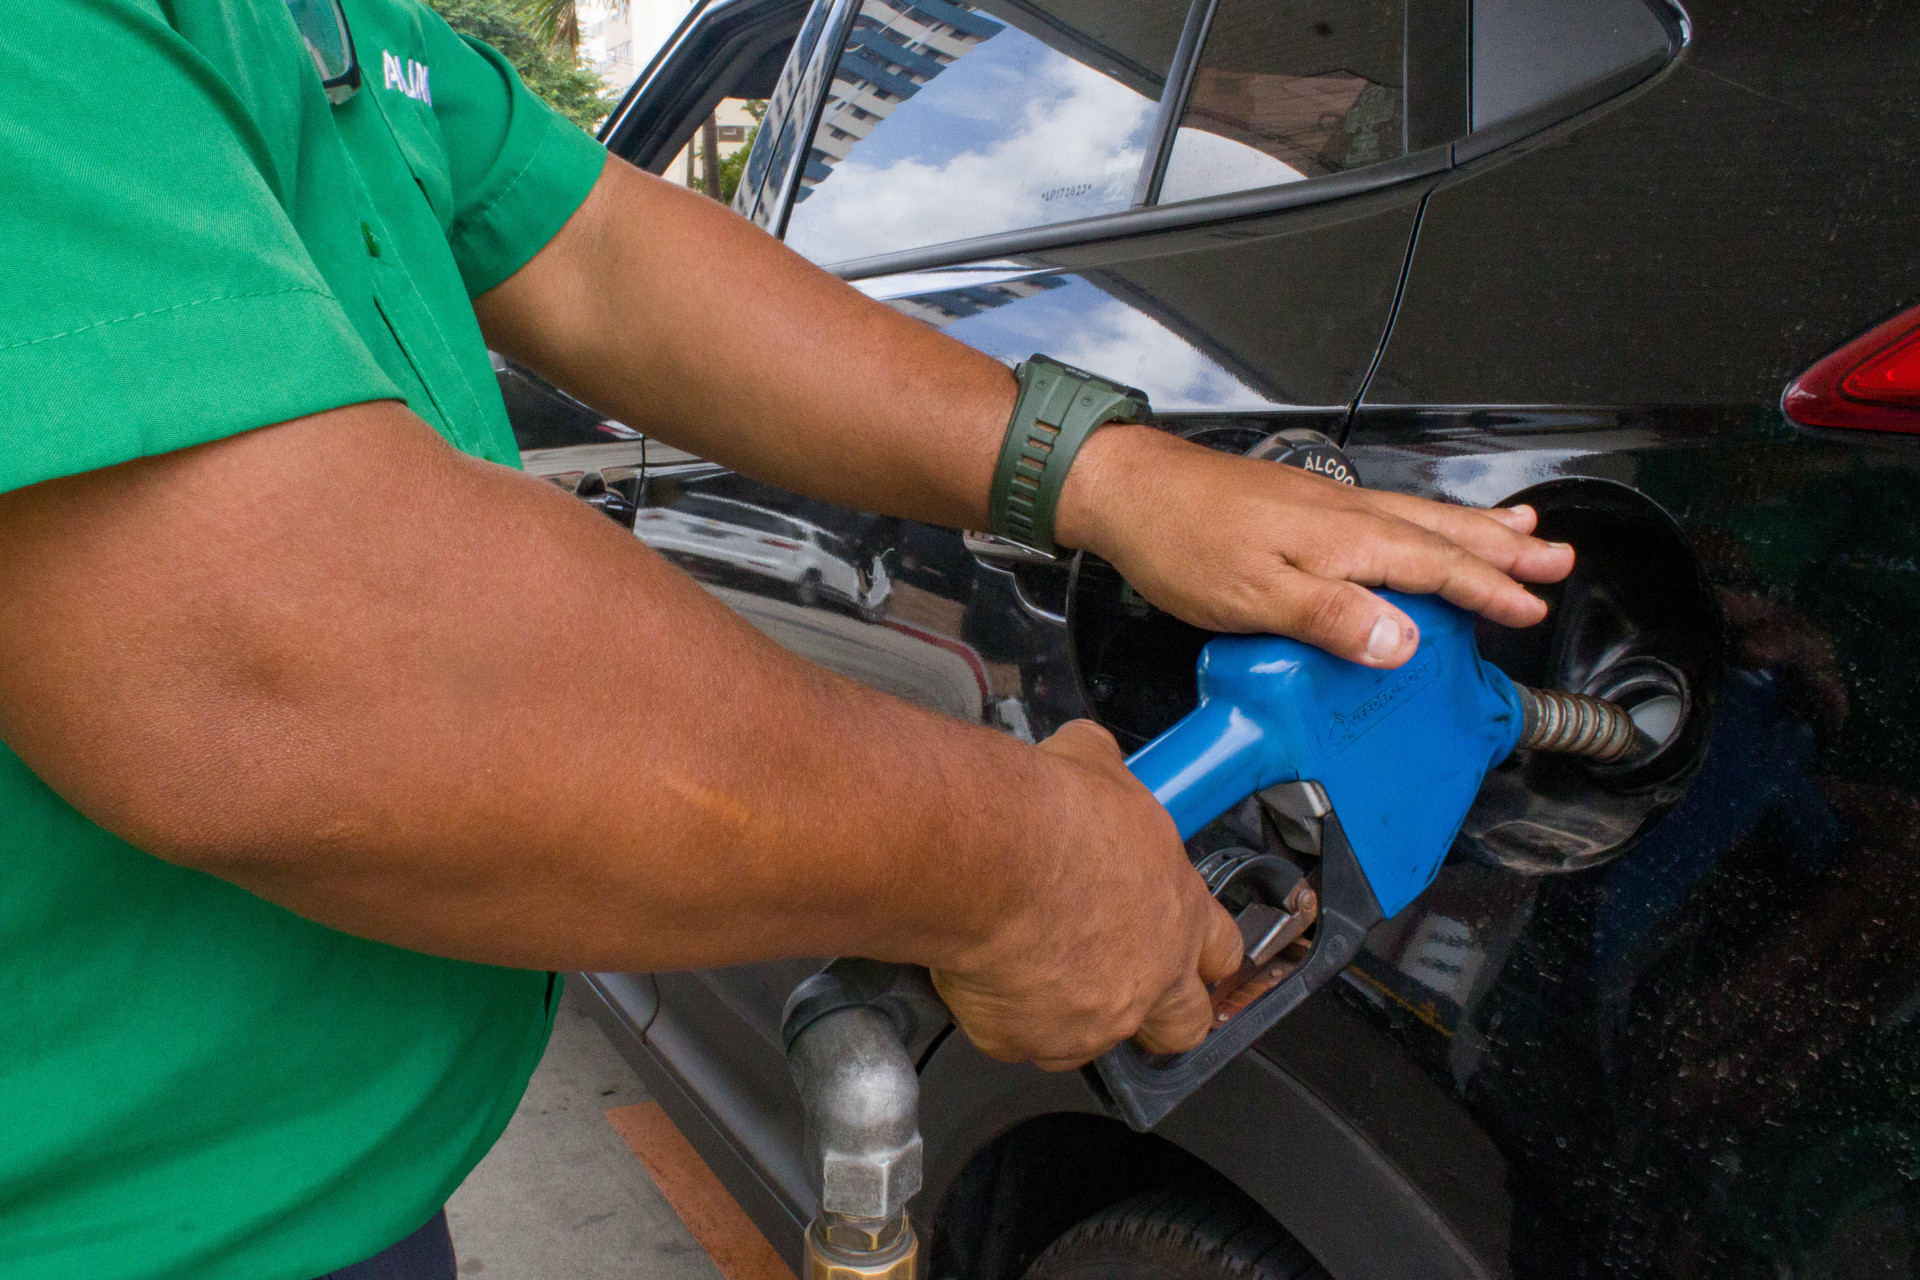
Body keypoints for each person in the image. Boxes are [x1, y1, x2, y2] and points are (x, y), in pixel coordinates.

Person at [0, 1, 1574, 1276]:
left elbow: (605, 251)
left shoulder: (322, 22)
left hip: (313, 1200)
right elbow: (296, 656)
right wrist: (1020, 860)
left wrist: (1107, 469)